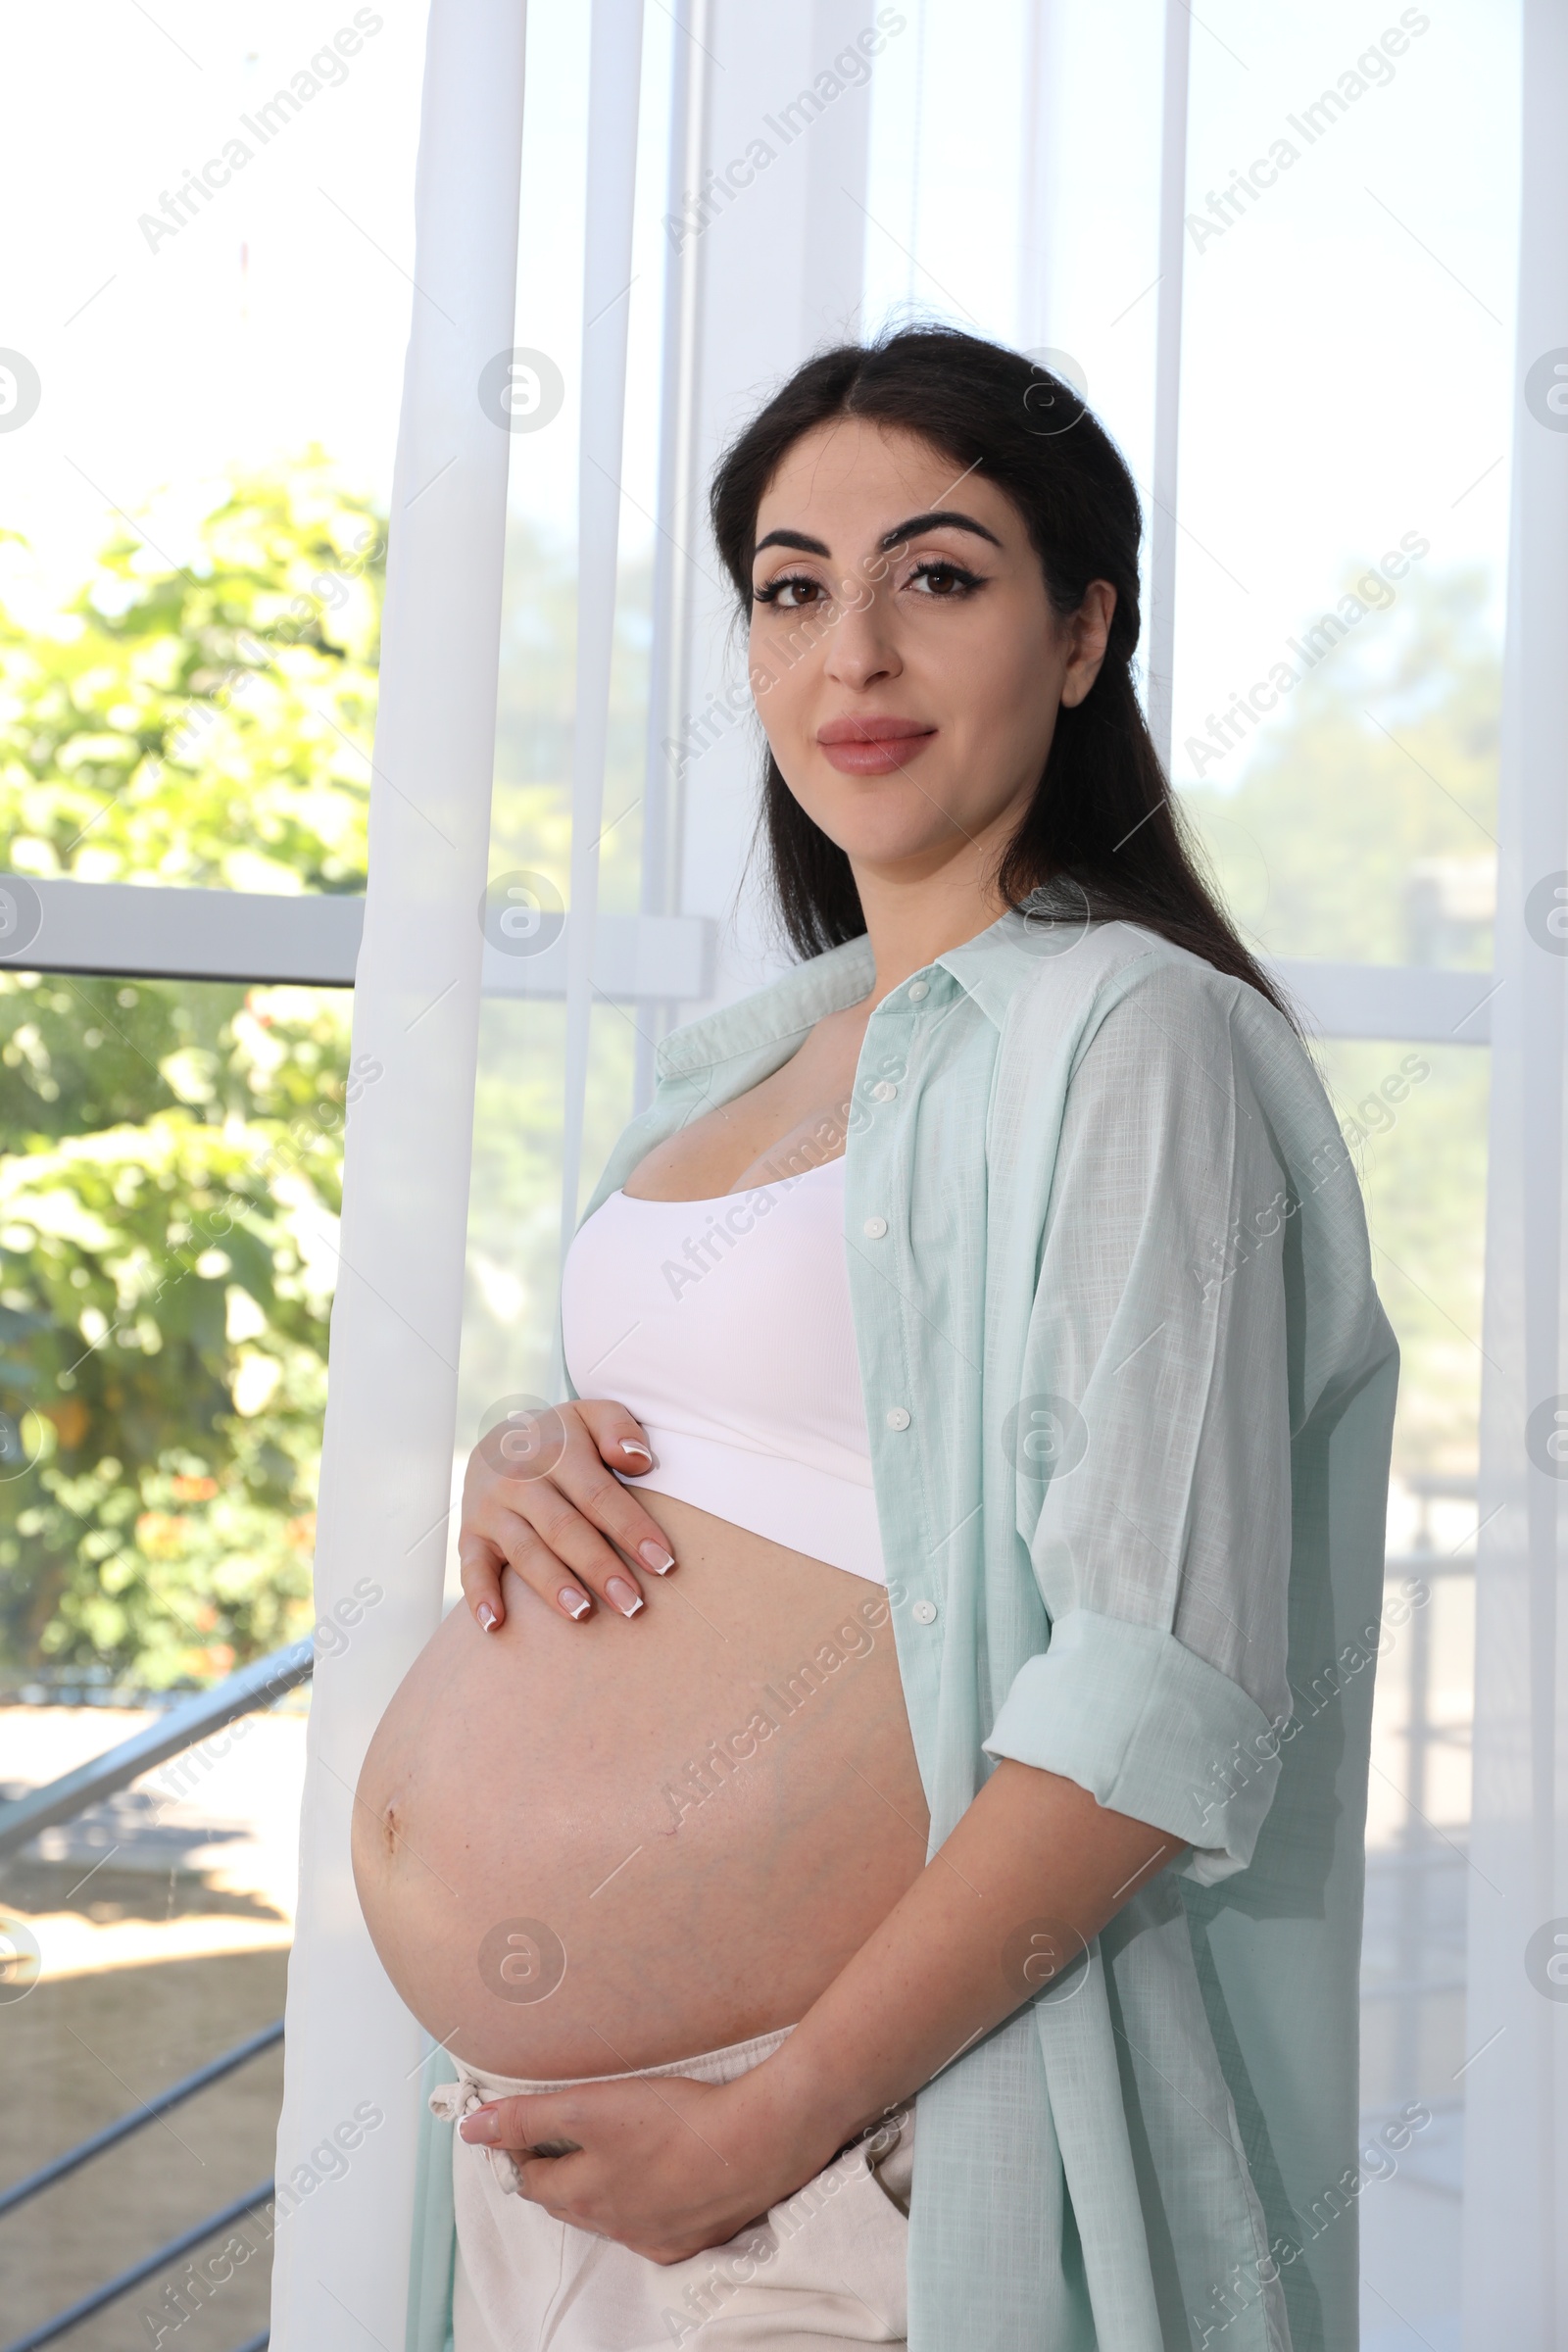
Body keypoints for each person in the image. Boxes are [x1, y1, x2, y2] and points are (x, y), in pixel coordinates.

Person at [354, 326, 1397, 2352]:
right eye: (789, 587)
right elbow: (777, 1448)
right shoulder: (746, 1056)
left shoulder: (1133, 1037)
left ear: (1081, 633)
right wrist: (526, 1454)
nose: (853, 654)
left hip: (853, 2161)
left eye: (937, 575)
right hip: (573, 2157)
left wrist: (770, 2119)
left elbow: (1150, 1700)